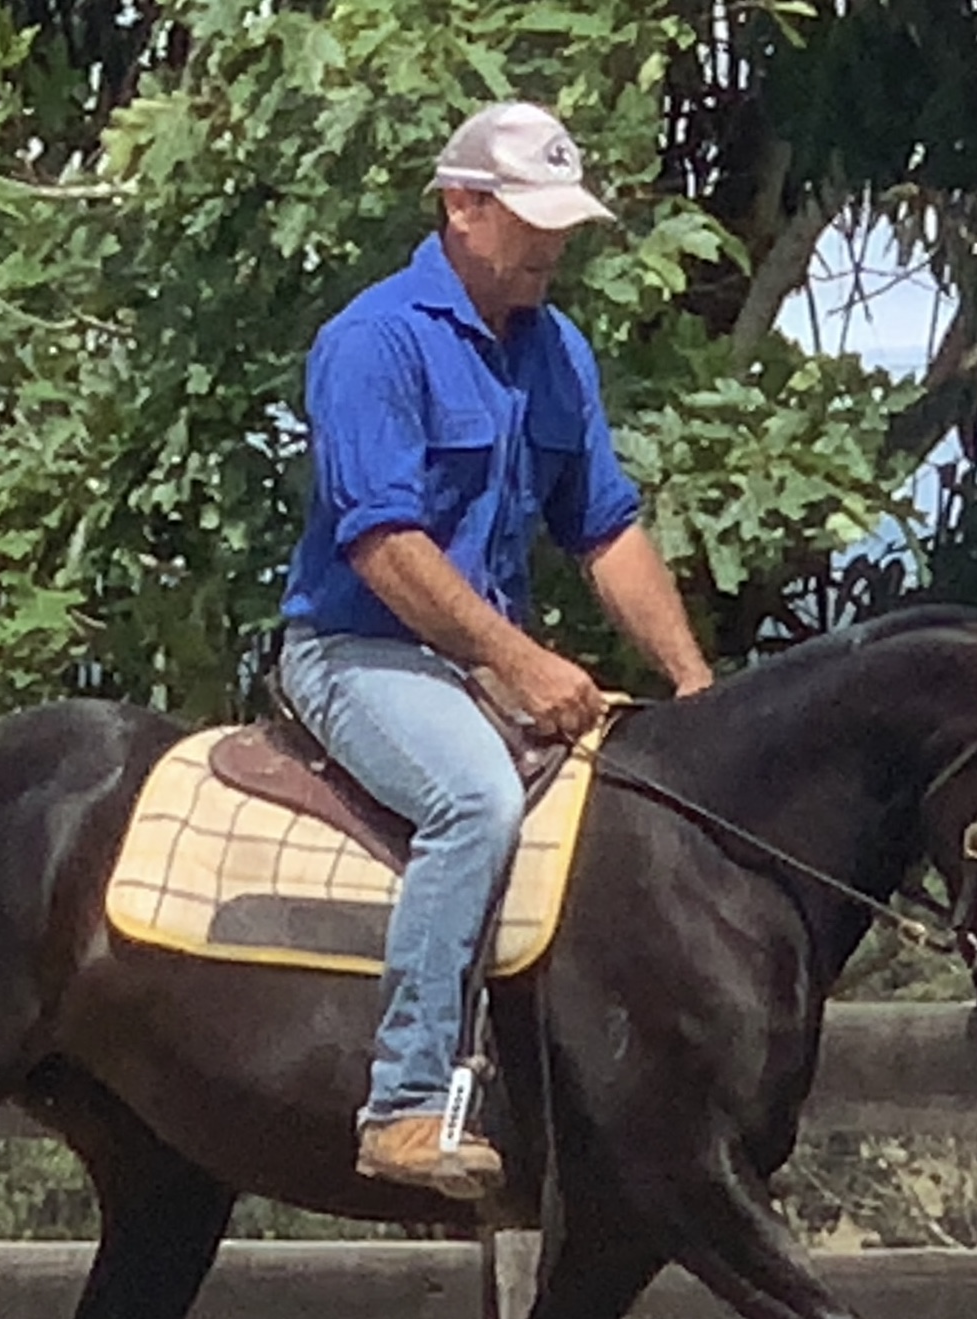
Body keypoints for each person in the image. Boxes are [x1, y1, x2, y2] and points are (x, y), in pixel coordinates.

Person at [278, 99, 714, 1200]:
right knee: (474, 800)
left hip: (475, 663)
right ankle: (406, 1101)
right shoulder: (374, 341)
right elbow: (382, 547)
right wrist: (522, 664)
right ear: (462, 206)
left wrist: (693, 682)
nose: (553, 242)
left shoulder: (557, 351)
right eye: (532, 217)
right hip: (358, 651)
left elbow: (605, 528)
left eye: (564, 221)